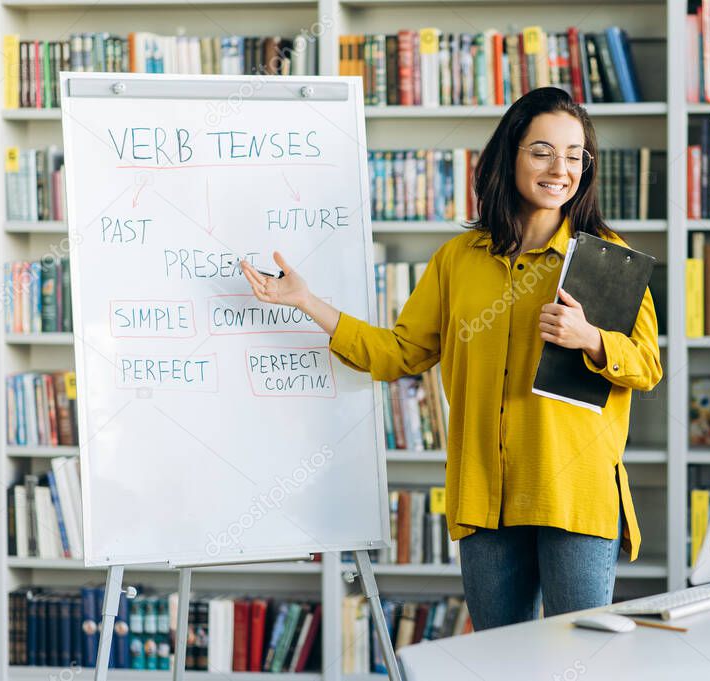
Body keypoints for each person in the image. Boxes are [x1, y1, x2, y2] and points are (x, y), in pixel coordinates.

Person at [240, 86, 663, 630]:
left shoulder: (611, 260)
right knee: (499, 661)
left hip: (574, 497)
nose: (561, 168)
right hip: (484, 497)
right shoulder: (457, 261)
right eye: (542, 150)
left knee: (578, 657)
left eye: (575, 154)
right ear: (508, 155)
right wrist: (306, 301)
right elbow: (399, 354)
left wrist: (591, 338)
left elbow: (647, 366)